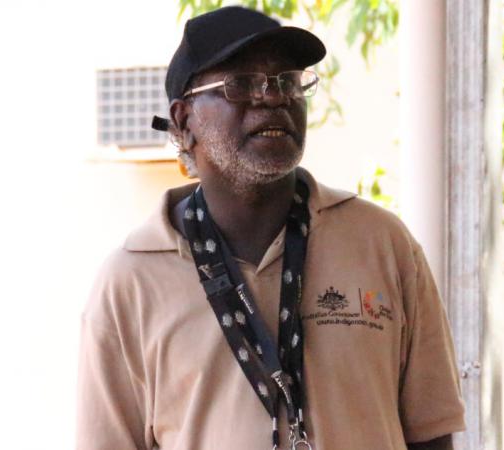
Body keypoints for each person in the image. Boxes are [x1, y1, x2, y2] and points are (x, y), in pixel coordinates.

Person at [76, 6, 465, 450]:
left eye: (288, 81)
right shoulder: (130, 281)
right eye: (240, 85)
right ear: (184, 122)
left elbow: (431, 435)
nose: (273, 96)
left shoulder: (382, 244)